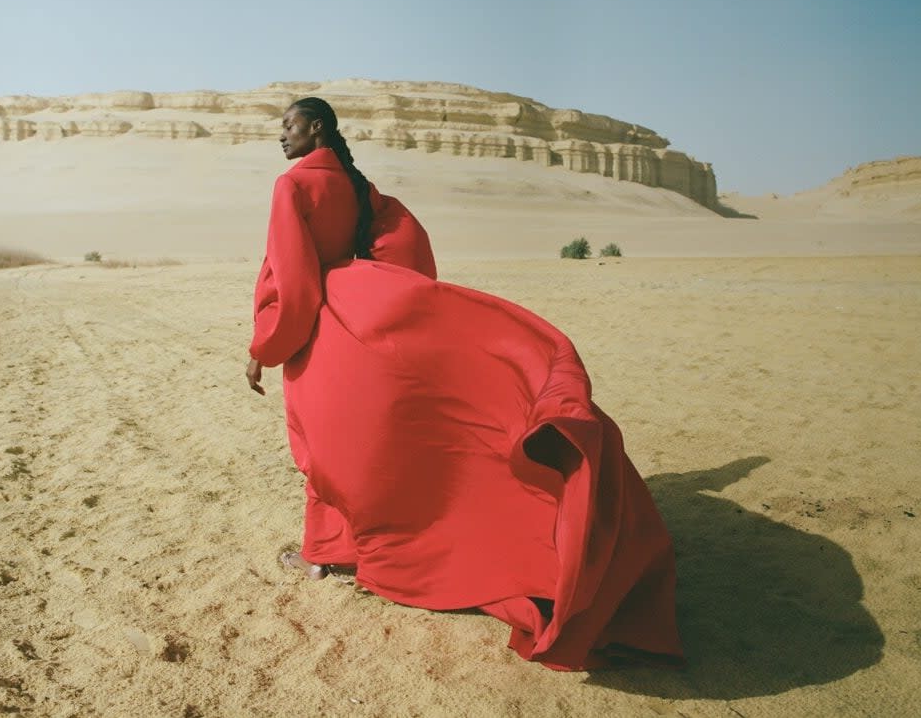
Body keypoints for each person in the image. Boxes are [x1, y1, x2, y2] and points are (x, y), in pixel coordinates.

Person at [245, 97, 683, 671]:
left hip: (328, 329)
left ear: (316, 127)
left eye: (289, 124)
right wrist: (395, 294)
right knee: (354, 449)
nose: (282, 135)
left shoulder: (292, 185)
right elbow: (403, 242)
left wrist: (263, 349)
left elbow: (296, 282)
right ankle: (330, 549)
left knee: (326, 449)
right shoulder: (355, 184)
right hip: (365, 308)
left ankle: (325, 554)